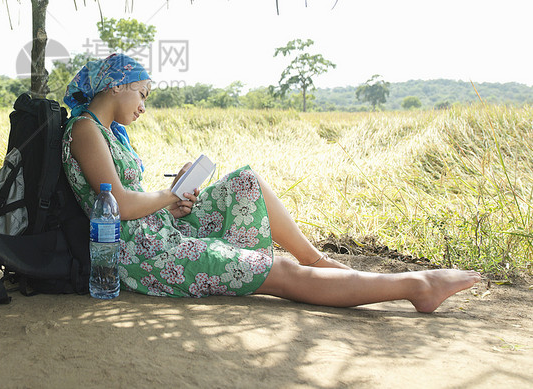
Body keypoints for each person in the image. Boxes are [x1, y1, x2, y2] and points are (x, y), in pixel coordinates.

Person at [62, 53, 480, 312]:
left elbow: (129, 201)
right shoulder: (85, 130)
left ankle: (317, 260)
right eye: (143, 94)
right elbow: (113, 202)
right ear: (116, 84)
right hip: (143, 254)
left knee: (247, 182)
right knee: (279, 270)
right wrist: (168, 193)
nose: (143, 106)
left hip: (158, 228)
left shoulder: (106, 131)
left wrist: (170, 205)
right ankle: (416, 286)